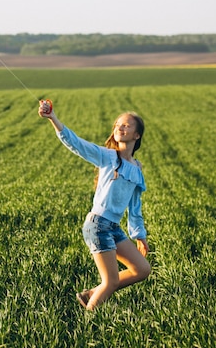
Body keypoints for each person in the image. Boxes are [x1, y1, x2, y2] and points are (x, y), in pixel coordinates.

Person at [38, 100, 151, 310]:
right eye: (118, 125)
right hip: (98, 225)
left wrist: (139, 236)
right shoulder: (108, 157)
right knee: (111, 282)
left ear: (137, 135)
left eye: (126, 125)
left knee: (142, 269)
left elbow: (135, 208)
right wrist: (53, 118)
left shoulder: (136, 170)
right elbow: (77, 144)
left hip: (113, 228)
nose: (120, 127)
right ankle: (88, 324)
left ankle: (91, 294)